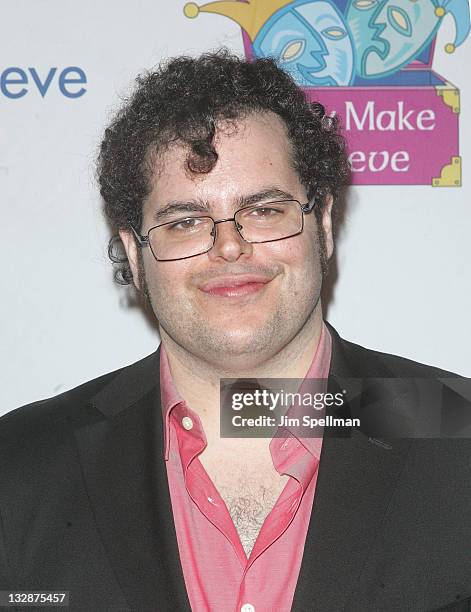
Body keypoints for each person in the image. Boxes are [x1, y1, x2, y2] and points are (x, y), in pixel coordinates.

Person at [0, 50, 470, 612]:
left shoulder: (459, 432)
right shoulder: (18, 468)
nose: (229, 246)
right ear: (134, 250)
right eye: (185, 222)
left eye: (264, 210)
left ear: (320, 224)